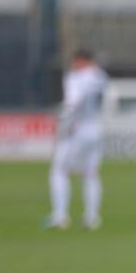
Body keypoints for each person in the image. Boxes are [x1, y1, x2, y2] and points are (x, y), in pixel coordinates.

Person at [46, 48, 108, 230]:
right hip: (95, 128)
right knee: (91, 173)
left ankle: (60, 216)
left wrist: (62, 116)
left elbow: (74, 101)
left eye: (75, 61)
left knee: (58, 171)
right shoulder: (100, 76)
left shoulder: (77, 77)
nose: (74, 65)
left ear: (82, 60)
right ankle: (92, 217)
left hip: (77, 129)